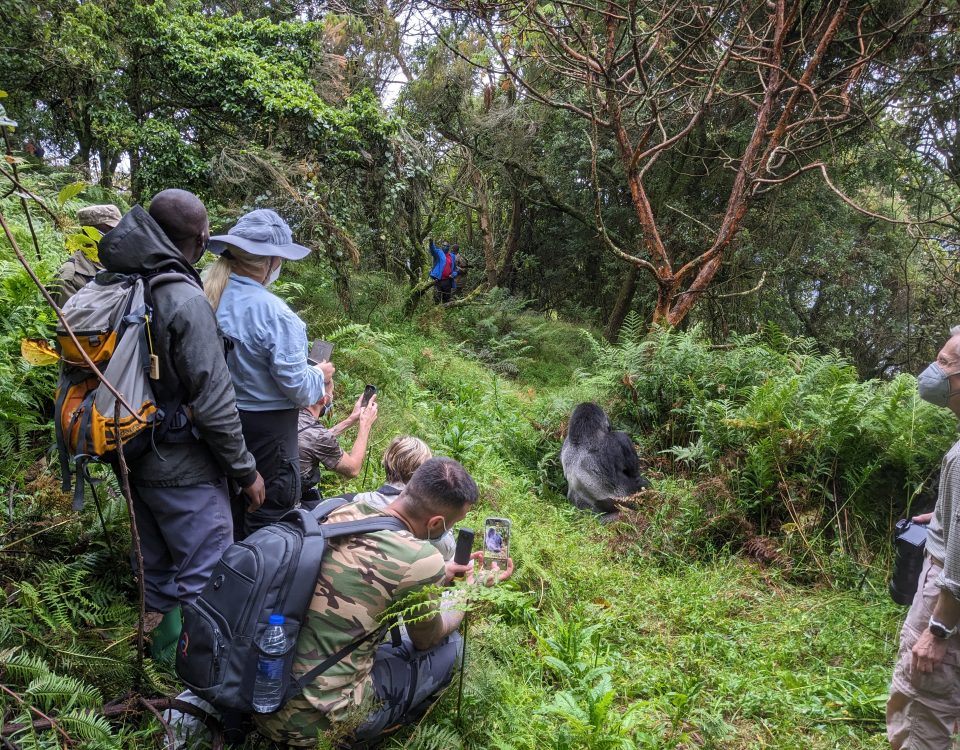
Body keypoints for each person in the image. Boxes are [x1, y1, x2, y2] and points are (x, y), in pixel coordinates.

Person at [96, 189, 265, 651]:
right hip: (183, 467)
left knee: (156, 570)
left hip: (129, 452)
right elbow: (213, 402)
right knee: (207, 579)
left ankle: (157, 666)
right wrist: (245, 470)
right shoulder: (183, 299)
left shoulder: (119, 279)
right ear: (202, 238)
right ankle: (197, 692)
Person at [256, 457, 513, 747]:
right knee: (451, 647)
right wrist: (470, 591)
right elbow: (426, 639)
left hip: (262, 691)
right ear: (436, 523)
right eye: (453, 524)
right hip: (315, 724)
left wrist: (441, 572)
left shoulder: (343, 510)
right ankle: (375, 731)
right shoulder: (420, 557)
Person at [205, 208, 327, 537]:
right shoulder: (275, 315)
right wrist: (321, 376)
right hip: (270, 441)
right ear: (271, 261)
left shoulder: (206, 295)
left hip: (216, 431)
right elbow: (298, 389)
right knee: (267, 527)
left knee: (226, 519)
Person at [888, 327, 960, 749]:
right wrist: (948, 514)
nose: (933, 371)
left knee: (920, 710)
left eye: (945, 363)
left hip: (946, 601)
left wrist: (938, 630)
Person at [350, 436, 456, 560]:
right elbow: (448, 551)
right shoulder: (426, 514)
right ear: (422, 471)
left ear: (387, 462)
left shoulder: (358, 500)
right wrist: (447, 525)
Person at [298, 367, 379, 501]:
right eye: (331, 393)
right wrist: (365, 425)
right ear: (323, 399)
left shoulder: (292, 414)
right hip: (290, 505)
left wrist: (350, 420)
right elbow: (353, 469)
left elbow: (310, 437)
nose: (332, 396)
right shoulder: (318, 437)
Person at [55, 204, 122, 305]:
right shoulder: (70, 277)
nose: (119, 235)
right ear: (91, 232)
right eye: (112, 230)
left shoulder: (121, 261)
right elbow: (70, 318)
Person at [429, 239, 458, 303]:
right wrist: (431, 244)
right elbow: (433, 250)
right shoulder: (438, 253)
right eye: (444, 245)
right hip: (438, 280)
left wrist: (453, 274)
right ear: (442, 246)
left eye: (447, 246)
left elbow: (455, 269)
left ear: (449, 247)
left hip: (447, 281)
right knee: (437, 299)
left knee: (447, 299)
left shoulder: (452, 256)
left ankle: (446, 311)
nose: (445, 247)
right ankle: (436, 312)